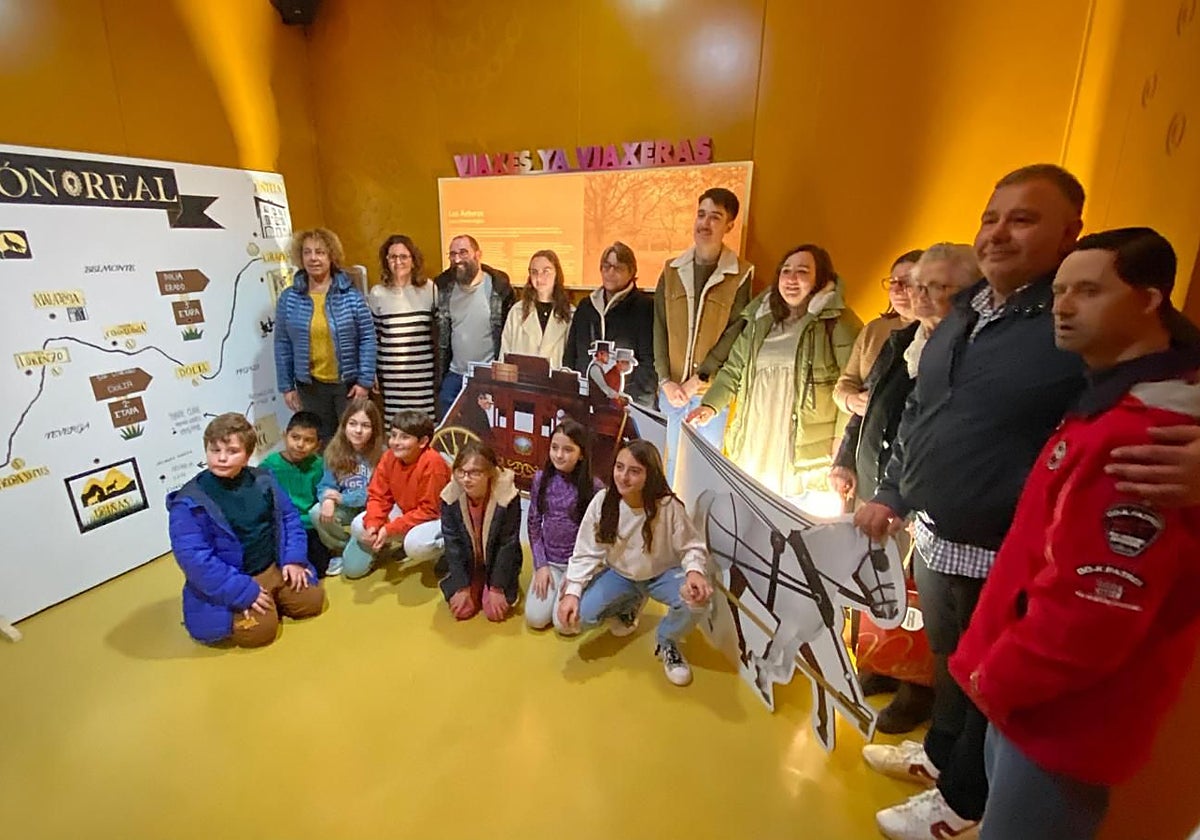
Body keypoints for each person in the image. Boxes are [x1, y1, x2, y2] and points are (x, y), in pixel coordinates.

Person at [855, 164, 1200, 840]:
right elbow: (927, 411)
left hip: (1019, 575)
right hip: (940, 532)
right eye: (991, 216)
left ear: (1071, 232)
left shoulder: (1099, 359)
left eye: (1024, 218)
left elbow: (1173, 371)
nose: (999, 233)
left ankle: (959, 800)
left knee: (994, 694)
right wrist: (895, 491)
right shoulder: (968, 311)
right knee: (954, 669)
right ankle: (939, 760)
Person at [949, 228, 1200, 839]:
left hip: (1060, 717)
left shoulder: (1150, 436)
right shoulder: (1115, 402)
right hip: (1029, 701)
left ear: (1149, 298)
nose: (1062, 306)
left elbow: (1094, 611)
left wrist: (996, 678)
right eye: (1060, 291)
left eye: (1087, 291)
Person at [831, 244, 978, 734]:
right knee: (878, 578)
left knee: (918, 597)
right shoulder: (902, 340)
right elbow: (873, 409)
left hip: (927, 501)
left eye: (934, 286)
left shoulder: (968, 349)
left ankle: (917, 687)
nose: (915, 294)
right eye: (909, 284)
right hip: (884, 483)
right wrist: (846, 458)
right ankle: (880, 660)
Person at [686, 245, 861, 498]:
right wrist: (710, 406)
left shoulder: (839, 323)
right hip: (755, 435)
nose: (791, 279)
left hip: (802, 446)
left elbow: (851, 385)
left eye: (802, 271)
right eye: (785, 271)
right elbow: (733, 370)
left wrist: (841, 442)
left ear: (820, 278)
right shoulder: (760, 321)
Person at [557, 440, 714, 686]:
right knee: (571, 621)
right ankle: (628, 605)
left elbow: (691, 545)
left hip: (662, 575)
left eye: (634, 471)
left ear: (649, 474)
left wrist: (694, 572)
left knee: (697, 601)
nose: (623, 477)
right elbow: (586, 551)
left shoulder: (668, 506)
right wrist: (573, 593)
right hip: (620, 575)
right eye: (619, 467)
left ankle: (667, 640)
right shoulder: (603, 501)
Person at [167, 413, 324, 646]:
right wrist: (241, 590)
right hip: (235, 579)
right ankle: (261, 605)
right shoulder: (189, 502)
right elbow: (196, 560)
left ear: (247, 455)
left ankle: (272, 598)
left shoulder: (264, 479)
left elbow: (289, 518)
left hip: (273, 566)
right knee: (260, 633)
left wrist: (293, 559)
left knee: (313, 601)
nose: (221, 458)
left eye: (232, 451)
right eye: (214, 450)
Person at [654, 188, 755, 482]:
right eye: (701, 214)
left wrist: (701, 377)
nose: (705, 223)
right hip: (671, 392)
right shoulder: (672, 269)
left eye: (715, 217)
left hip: (708, 396)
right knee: (667, 473)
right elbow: (659, 326)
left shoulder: (741, 274)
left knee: (701, 476)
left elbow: (736, 330)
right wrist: (665, 380)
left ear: (729, 226)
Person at [275, 227, 377, 442]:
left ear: (331, 256)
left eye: (320, 252)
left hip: (348, 386)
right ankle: (328, 477)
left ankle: (355, 477)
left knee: (353, 442)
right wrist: (287, 387)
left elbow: (368, 338)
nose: (313, 258)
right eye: (307, 252)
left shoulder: (351, 296)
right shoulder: (289, 298)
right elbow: (282, 344)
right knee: (320, 441)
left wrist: (365, 382)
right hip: (310, 386)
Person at [341, 410, 451, 580]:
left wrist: (389, 529)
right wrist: (373, 524)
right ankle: (380, 544)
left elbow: (429, 511)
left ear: (422, 442)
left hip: (438, 517)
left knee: (416, 545)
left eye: (404, 437)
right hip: (409, 511)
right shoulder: (388, 457)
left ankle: (449, 550)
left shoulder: (433, 464)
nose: (396, 442)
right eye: (393, 435)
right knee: (359, 525)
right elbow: (378, 495)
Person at [525, 420, 603, 630]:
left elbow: (598, 538)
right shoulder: (541, 479)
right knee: (535, 619)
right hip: (549, 562)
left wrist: (577, 575)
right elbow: (533, 523)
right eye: (555, 447)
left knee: (564, 626)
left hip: (577, 566)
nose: (559, 455)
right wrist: (541, 565)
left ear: (582, 454)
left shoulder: (594, 488)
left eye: (568, 449)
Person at [563, 241, 657, 407]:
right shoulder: (586, 306)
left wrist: (636, 403)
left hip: (626, 403)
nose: (610, 273)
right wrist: (570, 393)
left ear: (631, 271)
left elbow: (648, 363)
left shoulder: (645, 308)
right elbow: (571, 354)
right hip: (585, 401)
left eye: (618, 268)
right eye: (606, 267)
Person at [437, 442, 522, 621]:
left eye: (475, 473)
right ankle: (473, 582)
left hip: (497, 561)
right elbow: (452, 544)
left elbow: (507, 544)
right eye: (462, 472)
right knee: (462, 611)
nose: (466, 479)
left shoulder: (507, 498)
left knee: (494, 612)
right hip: (469, 562)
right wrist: (462, 587)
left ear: (489, 473)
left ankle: (492, 583)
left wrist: (497, 587)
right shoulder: (450, 497)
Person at [433, 235, 515, 418]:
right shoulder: (444, 288)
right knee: (447, 430)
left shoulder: (498, 288)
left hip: (486, 375)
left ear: (478, 255)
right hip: (454, 374)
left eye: (463, 253)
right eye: (452, 254)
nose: (457, 259)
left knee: (485, 432)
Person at [833, 250, 921, 416]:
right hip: (867, 432)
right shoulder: (874, 329)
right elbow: (845, 383)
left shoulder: (939, 330)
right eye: (893, 282)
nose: (896, 290)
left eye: (906, 282)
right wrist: (851, 401)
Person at [310, 399, 385, 575]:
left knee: (353, 572)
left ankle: (365, 547)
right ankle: (344, 547)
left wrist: (343, 498)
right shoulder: (334, 450)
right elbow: (325, 485)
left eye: (366, 425)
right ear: (344, 425)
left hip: (372, 512)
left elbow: (376, 493)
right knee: (316, 511)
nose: (358, 431)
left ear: (374, 429)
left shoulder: (382, 454)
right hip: (347, 509)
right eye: (353, 424)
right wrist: (327, 499)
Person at [369, 234, 436, 420]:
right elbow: (373, 337)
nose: (398, 261)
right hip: (393, 379)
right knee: (398, 429)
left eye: (404, 256)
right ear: (386, 261)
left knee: (424, 427)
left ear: (413, 261)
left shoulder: (430, 289)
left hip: (423, 377)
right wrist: (373, 372)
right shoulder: (377, 293)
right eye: (392, 257)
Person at [260, 410, 331, 577]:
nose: (300, 445)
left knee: (319, 569)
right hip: (282, 526)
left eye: (308, 440)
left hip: (309, 526)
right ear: (285, 436)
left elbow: (322, 494)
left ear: (317, 445)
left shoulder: (319, 465)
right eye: (295, 437)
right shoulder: (269, 466)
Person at [500, 249, 573, 367]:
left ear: (556, 274)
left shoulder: (570, 314)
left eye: (546, 271)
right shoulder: (516, 312)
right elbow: (504, 355)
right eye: (534, 272)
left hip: (555, 383)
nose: (539, 277)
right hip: (523, 382)